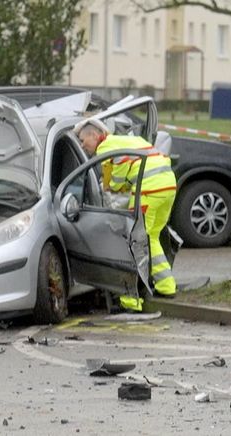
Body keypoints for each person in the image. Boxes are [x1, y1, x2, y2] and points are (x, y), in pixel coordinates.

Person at [73, 118, 177, 312]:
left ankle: (131, 301)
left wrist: (114, 186)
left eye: (82, 140)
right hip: (168, 187)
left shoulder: (106, 147)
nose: (82, 145)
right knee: (151, 237)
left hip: (148, 190)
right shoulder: (127, 140)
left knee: (133, 243)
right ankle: (166, 285)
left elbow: (116, 177)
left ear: (94, 135)